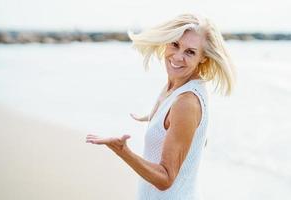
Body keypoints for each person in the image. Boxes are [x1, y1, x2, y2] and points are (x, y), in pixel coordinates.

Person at [86, 13, 235, 200]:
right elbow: (195, 136)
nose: (178, 57)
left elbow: (165, 178)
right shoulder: (176, 86)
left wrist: (122, 151)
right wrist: (156, 116)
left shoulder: (186, 102)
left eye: (190, 52)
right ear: (166, 42)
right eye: (175, 44)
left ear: (203, 57)